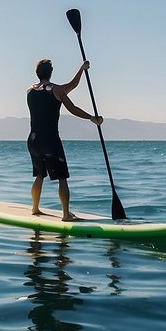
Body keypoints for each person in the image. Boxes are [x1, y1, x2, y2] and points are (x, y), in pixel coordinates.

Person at [27, 57, 103, 220]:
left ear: (37, 73)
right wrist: (92, 118)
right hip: (50, 140)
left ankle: (34, 209)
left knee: (39, 175)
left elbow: (69, 87)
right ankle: (66, 214)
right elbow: (73, 108)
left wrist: (81, 70)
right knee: (62, 177)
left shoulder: (29, 91)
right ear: (51, 72)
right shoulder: (56, 90)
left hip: (33, 140)